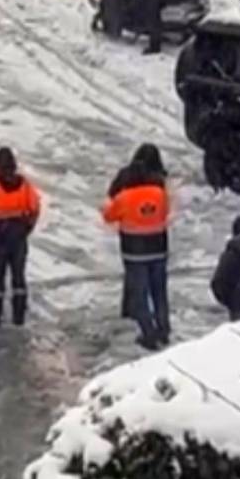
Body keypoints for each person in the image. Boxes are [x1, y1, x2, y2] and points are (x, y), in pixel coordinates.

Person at [102, 150, 170, 350]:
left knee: (139, 295)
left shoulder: (124, 197)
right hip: (159, 248)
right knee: (159, 293)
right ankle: (164, 330)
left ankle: (148, 333)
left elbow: (108, 216)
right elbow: (165, 212)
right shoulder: (159, 193)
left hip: (135, 252)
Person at [0, 147, 41, 326]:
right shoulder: (24, 184)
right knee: (19, 276)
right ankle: (19, 316)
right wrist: (27, 228)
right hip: (18, 235)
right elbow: (35, 208)